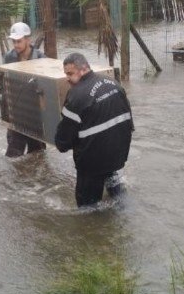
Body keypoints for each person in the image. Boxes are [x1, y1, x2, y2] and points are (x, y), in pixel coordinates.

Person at [54, 53, 134, 207]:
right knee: (119, 199)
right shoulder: (114, 84)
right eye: (65, 74)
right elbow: (128, 122)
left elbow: (62, 142)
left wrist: (60, 141)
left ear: (83, 70)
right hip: (117, 156)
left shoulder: (76, 96)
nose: (67, 78)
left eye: (70, 73)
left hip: (91, 164)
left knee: (88, 211)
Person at [0, 22, 47, 157]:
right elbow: (3, 78)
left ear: (28, 40)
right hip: (17, 111)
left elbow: (47, 87)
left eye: (19, 41)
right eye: (14, 41)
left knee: (38, 154)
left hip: (34, 113)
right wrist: (0, 88)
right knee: (13, 154)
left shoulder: (41, 58)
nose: (16, 45)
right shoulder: (9, 57)